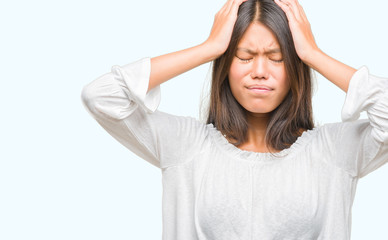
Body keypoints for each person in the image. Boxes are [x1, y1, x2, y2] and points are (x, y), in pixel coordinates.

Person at [81, 0, 388, 239]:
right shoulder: (186, 146)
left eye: (277, 57)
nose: (259, 70)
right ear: (225, 66)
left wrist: (312, 53)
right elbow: (102, 96)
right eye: (244, 56)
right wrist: (208, 48)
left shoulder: (334, 152)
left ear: (295, 68)